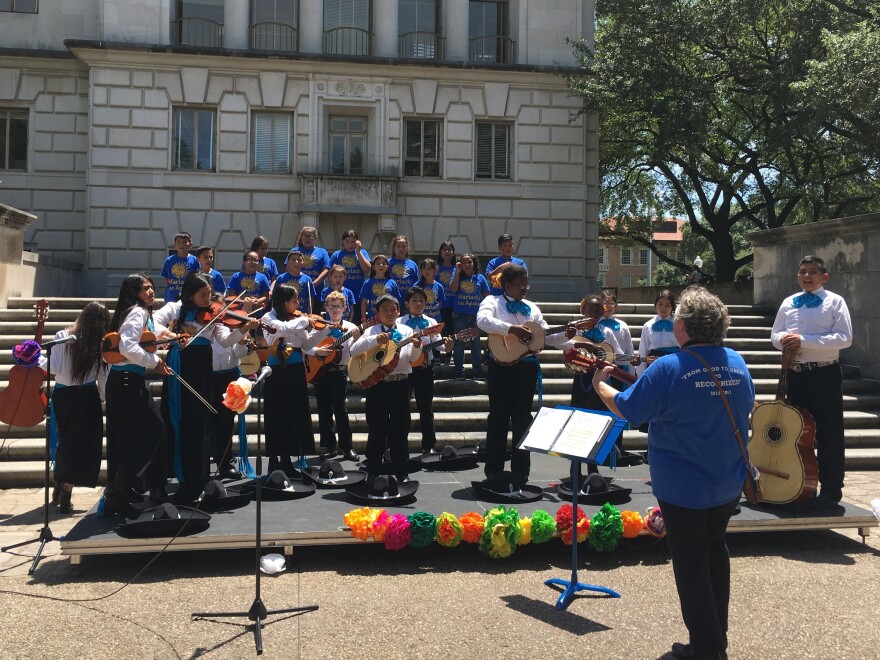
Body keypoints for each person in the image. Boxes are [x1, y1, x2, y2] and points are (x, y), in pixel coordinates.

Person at [592, 286, 754, 660]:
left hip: (684, 486)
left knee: (690, 564)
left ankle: (706, 647)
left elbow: (629, 410)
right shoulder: (736, 360)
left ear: (682, 325)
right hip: (726, 481)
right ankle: (717, 635)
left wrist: (600, 383)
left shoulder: (669, 366)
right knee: (715, 552)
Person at [154, 272, 258, 502]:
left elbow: (224, 340)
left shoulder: (214, 313)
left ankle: (197, 474)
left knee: (200, 418)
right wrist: (173, 335)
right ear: (190, 294)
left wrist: (242, 329)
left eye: (210, 294)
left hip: (202, 365)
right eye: (203, 295)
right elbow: (155, 321)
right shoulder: (175, 307)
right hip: (181, 363)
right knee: (181, 416)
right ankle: (178, 473)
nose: (208, 299)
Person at [476, 265, 570, 486]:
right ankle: (494, 470)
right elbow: (482, 321)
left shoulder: (531, 308)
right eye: (521, 285)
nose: (525, 289)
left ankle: (521, 471)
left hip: (525, 368)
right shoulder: (492, 302)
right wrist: (511, 329)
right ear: (507, 285)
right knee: (498, 417)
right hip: (499, 366)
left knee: (522, 419)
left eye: (527, 284)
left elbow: (544, 336)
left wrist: (567, 336)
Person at [770, 255, 852, 506]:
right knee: (795, 433)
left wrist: (804, 341)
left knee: (829, 433)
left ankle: (830, 490)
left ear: (824, 276)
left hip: (824, 374)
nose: (807, 276)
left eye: (812, 272)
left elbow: (844, 338)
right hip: (795, 374)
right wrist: (783, 339)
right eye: (802, 271)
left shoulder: (835, 302)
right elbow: (774, 334)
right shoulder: (788, 302)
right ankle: (796, 486)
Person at [103, 274, 172, 514]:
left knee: (133, 437)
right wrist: (155, 362)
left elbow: (139, 342)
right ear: (135, 293)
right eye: (146, 289)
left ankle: (122, 492)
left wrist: (166, 340)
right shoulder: (138, 312)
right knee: (152, 432)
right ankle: (119, 491)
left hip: (126, 382)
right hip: (126, 383)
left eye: (152, 288)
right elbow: (126, 347)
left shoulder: (139, 313)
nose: (151, 292)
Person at [349, 294, 421, 482]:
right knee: (377, 428)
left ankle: (402, 473)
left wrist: (418, 347)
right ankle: (373, 470)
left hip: (401, 383)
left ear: (399, 311)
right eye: (385, 310)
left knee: (400, 429)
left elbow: (412, 359)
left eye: (393, 310)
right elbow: (354, 351)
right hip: (377, 384)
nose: (390, 313)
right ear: (378, 313)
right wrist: (374, 341)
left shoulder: (407, 330)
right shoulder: (372, 330)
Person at [49, 302, 110, 514]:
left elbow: (54, 367)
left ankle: (62, 485)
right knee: (85, 443)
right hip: (87, 396)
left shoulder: (61, 336)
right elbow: (103, 375)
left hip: (64, 394)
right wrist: (103, 397)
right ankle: (66, 488)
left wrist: (35, 359)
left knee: (65, 440)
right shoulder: (98, 342)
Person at [261, 283, 317, 473]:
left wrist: (324, 330)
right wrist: (304, 320)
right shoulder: (268, 317)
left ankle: (287, 458)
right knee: (276, 414)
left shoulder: (296, 320)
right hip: (276, 372)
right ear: (285, 303)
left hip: (295, 370)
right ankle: (274, 460)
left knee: (294, 413)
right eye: (295, 301)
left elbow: (308, 344)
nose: (298, 304)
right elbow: (282, 330)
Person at [302, 290, 361, 462]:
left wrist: (357, 339)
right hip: (320, 371)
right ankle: (329, 446)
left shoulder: (351, 328)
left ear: (345, 308)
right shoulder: (319, 325)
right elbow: (305, 346)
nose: (335, 309)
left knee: (340, 409)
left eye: (338, 306)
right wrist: (316, 351)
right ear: (326, 308)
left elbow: (355, 351)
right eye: (332, 306)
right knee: (323, 409)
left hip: (340, 371)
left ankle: (347, 447)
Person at [401, 287, 453, 454]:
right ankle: (399, 445)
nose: (418, 303)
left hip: (425, 369)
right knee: (401, 409)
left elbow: (441, 345)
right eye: (414, 300)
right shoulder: (399, 321)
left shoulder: (431, 323)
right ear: (407, 303)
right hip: (405, 370)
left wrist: (449, 345)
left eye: (422, 301)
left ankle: (429, 445)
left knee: (426, 409)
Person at [209, 332, 250, 480]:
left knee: (226, 422)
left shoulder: (234, 325)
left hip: (229, 375)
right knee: (206, 421)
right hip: (207, 375)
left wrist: (241, 343)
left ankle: (226, 463)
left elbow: (239, 354)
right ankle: (202, 464)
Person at [449, 253, 490, 380]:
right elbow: (453, 289)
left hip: (475, 316)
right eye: (464, 262)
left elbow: (487, 295)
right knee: (459, 343)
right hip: (460, 315)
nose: (467, 265)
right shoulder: (457, 276)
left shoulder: (480, 278)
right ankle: (459, 371)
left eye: (469, 262)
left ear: (474, 263)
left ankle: (477, 371)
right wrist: (456, 271)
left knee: (475, 344)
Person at [329, 229, 371, 322]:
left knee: (355, 322)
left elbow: (367, 270)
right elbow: (331, 274)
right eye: (347, 241)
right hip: (342, 295)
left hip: (358, 295)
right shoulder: (337, 254)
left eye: (353, 242)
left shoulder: (363, 252)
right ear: (343, 242)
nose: (350, 244)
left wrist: (358, 252)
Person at [635, 289, 679, 376]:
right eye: (660, 304)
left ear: (672, 307)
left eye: (668, 305)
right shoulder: (648, 325)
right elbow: (643, 350)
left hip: (675, 364)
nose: (663, 308)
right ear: (655, 305)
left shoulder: (679, 324)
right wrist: (641, 375)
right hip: (654, 365)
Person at [275, 249, 318, 314]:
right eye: (293, 260)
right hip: (284, 315)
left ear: (303, 263)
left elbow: (310, 299)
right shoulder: (281, 278)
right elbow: (276, 298)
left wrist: (309, 314)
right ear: (288, 262)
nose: (296, 262)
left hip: (302, 315)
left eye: (299, 260)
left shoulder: (307, 279)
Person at [359, 254, 401, 320]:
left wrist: (397, 315)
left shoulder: (392, 283)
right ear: (373, 267)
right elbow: (364, 302)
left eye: (383, 264)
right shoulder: (368, 283)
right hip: (372, 318)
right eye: (378, 264)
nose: (381, 265)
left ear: (387, 267)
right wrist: (363, 318)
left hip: (389, 317)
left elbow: (397, 301)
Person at [160, 232, 199, 303]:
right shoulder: (169, 260)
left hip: (188, 298)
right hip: (171, 298)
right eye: (178, 242)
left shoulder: (195, 261)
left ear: (190, 244)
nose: (181, 245)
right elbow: (166, 279)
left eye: (184, 242)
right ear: (174, 245)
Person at [436, 241, 457, 362]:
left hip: (453, 305)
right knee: (440, 330)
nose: (447, 252)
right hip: (440, 305)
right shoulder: (437, 269)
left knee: (451, 330)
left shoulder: (457, 269)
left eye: (449, 249)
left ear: (454, 253)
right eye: (444, 249)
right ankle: (438, 355)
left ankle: (449, 354)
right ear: (440, 253)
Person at [388, 235, 419, 300]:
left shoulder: (412, 264)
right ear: (394, 248)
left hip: (408, 301)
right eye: (398, 247)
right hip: (391, 300)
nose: (401, 249)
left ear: (407, 248)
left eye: (404, 246)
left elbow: (416, 284)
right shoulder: (388, 263)